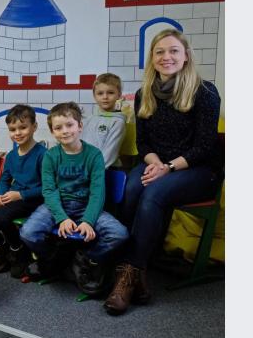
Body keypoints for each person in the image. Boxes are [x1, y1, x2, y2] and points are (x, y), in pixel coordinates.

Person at [104, 29, 222, 315]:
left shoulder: (204, 91)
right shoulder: (146, 93)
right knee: (130, 189)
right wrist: (156, 163)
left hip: (198, 169)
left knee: (153, 194)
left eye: (173, 51)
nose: (166, 57)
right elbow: (144, 142)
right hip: (159, 162)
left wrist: (167, 168)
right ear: (152, 58)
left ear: (185, 57)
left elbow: (205, 147)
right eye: (159, 52)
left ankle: (129, 275)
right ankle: (133, 268)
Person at [19, 102, 129, 292]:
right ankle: (56, 261)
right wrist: (61, 218)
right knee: (28, 232)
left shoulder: (94, 155)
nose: (65, 131)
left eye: (69, 125)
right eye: (58, 127)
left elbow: (97, 193)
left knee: (119, 234)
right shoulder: (51, 156)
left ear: (80, 126)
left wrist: (88, 220)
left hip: (87, 206)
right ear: (53, 132)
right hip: (57, 206)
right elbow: (49, 191)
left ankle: (84, 258)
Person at [0, 105, 46, 277]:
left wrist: (20, 195)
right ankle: (1, 247)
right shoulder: (12, 155)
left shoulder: (43, 154)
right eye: (13, 129)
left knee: (0, 217)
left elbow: (46, 188)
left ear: (34, 127)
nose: (18, 133)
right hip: (12, 196)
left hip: (32, 199)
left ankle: (18, 250)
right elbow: (5, 179)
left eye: (23, 127)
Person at [82, 73, 126, 168]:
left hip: (105, 170)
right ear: (94, 96)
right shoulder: (90, 119)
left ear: (119, 95)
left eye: (110, 93)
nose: (105, 97)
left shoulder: (118, 122)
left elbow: (110, 153)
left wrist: (90, 171)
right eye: (100, 93)